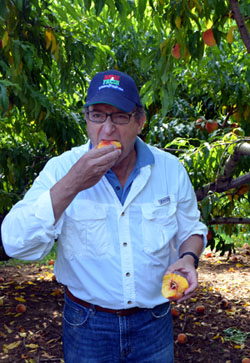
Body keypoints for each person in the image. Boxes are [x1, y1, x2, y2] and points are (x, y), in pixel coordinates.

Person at [1, 69, 208, 363]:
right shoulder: (62, 169)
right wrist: (74, 183)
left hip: (154, 323)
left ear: (140, 121)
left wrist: (188, 259)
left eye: (120, 116)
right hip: (87, 325)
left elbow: (192, 229)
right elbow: (15, 243)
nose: (107, 130)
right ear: (86, 120)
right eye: (97, 115)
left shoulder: (170, 170)